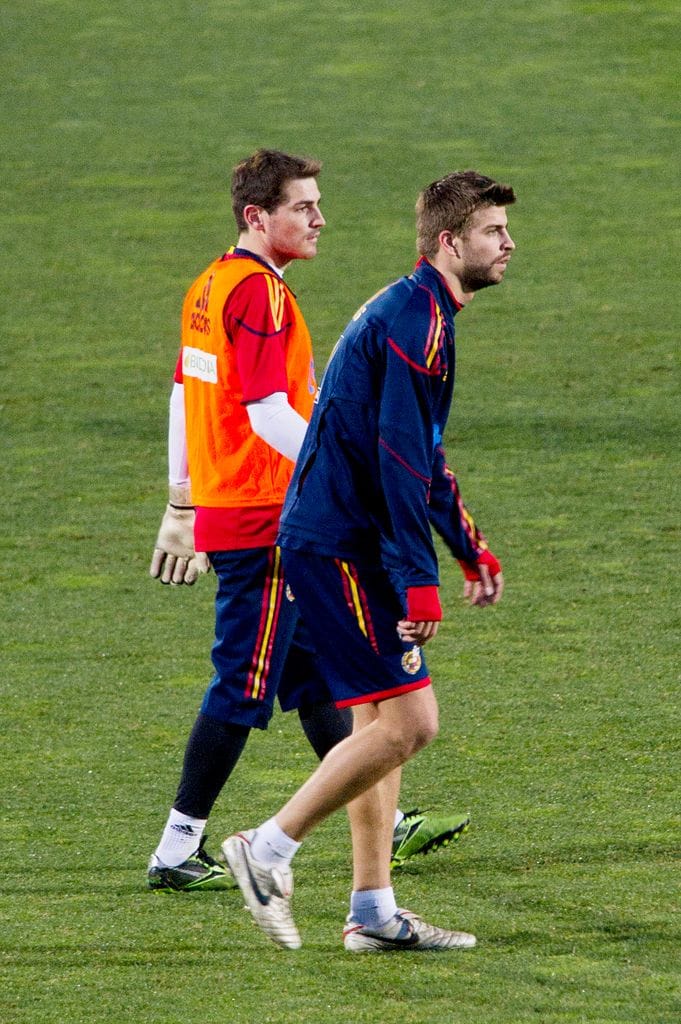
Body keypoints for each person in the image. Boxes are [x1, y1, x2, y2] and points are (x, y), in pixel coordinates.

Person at [147, 150, 472, 893]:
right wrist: (349, 481)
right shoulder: (259, 295)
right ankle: (177, 846)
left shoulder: (211, 284)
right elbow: (267, 413)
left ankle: (385, 822)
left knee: (322, 677)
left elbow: (182, 392)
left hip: (238, 506)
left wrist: (180, 498)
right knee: (244, 682)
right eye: (303, 207)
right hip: (266, 519)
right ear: (257, 217)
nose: (320, 218)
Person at [223, 169, 516, 952]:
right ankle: (268, 846)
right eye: (492, 231)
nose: (508, 244)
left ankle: (373, 913)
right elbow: (395, 460)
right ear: (449, 243)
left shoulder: (417, 309)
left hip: (339, 540)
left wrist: (465, 543)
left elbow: (420, 447)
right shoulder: (416, 321)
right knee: (411, 723)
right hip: (340, 548)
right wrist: (419, 575)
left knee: (377, 722)